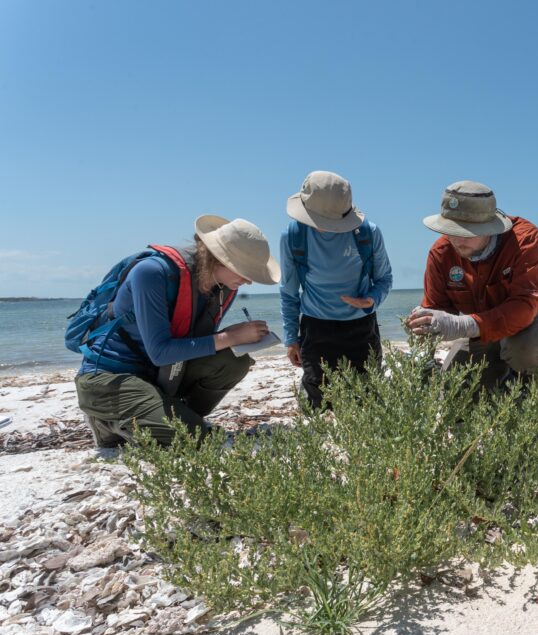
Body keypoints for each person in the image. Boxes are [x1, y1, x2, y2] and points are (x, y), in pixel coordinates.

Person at [75, 216, 280, 446]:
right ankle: (105, 423)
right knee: (194, 437)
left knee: (233, 362)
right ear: (218, 258)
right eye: (244, 271)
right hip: (108, 379)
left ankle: (177, 417)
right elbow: (160, 352)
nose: (249, 281)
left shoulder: (223, 286)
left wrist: (232, 337)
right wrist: (230, 337)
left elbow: (193, 343)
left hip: (159, 375)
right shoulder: (152, 273)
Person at [406, 180, 538, 390]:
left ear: (490, 228)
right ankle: (501, 375)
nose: (458, 240)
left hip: (534, 319)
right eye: (451, 230)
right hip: (482, 327)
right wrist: (425, 328)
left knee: (525, 348)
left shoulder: (524, 239)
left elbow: (525, 306)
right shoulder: (441, 253)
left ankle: (536, 388)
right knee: (456, 389)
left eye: (467, 233)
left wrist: (460, 325)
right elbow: (437, 307)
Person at [279, 171, 393, 409]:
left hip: (362, 329)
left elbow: (384, 279)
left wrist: (371, 300)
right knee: (317, 406)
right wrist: (291, 339)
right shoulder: (293, 236)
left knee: (368, 403)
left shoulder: (368, 233)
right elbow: (289, 293)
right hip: (315, 328)